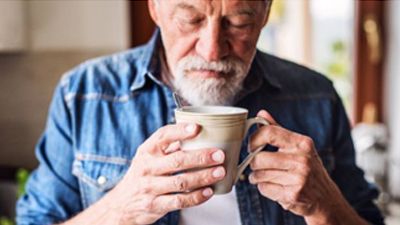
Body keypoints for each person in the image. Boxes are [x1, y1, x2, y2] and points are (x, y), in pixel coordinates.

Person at [16, 0, 384, 225]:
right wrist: (120, 209)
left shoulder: (316, 98)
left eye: (238, 23)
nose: (212, 50)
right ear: (155, 8)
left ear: (266, 13)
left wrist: (324, 206)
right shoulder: (83, 94)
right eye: (190, 19)